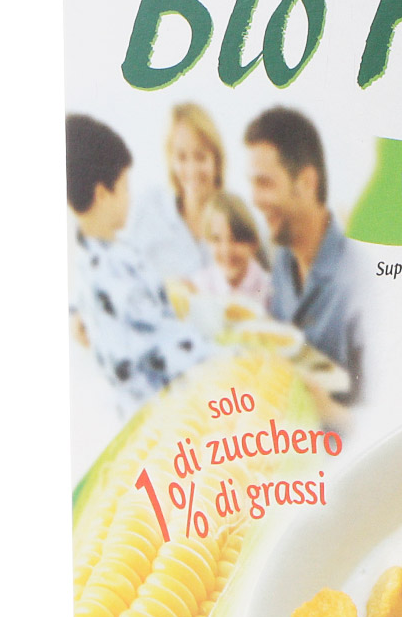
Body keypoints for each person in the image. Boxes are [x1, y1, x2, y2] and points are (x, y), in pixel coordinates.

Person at [66, 114, 212, 416]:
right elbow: (161, 347)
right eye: (125, 187)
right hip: (160, 409)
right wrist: (222, 357)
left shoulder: (91, 258)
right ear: (103, 195)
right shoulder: (114, 270)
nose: (129, 198)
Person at [246, 106, 363, 396]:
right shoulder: (283, 261)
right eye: (252, 185)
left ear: (307, 183)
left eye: (265, 183)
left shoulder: (356, 279)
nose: (255, 200)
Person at [126, 101, 226, 288]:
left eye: (200, 156)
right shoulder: (148, 208)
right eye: (181, 157)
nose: (191, 169)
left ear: (216, 159)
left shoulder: (237, 218)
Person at [190, 191, 271, 314]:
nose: (226, 250)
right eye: (216, 239)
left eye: (236, 240)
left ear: (253, 244)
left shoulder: (268, 289)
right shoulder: (200, 286)